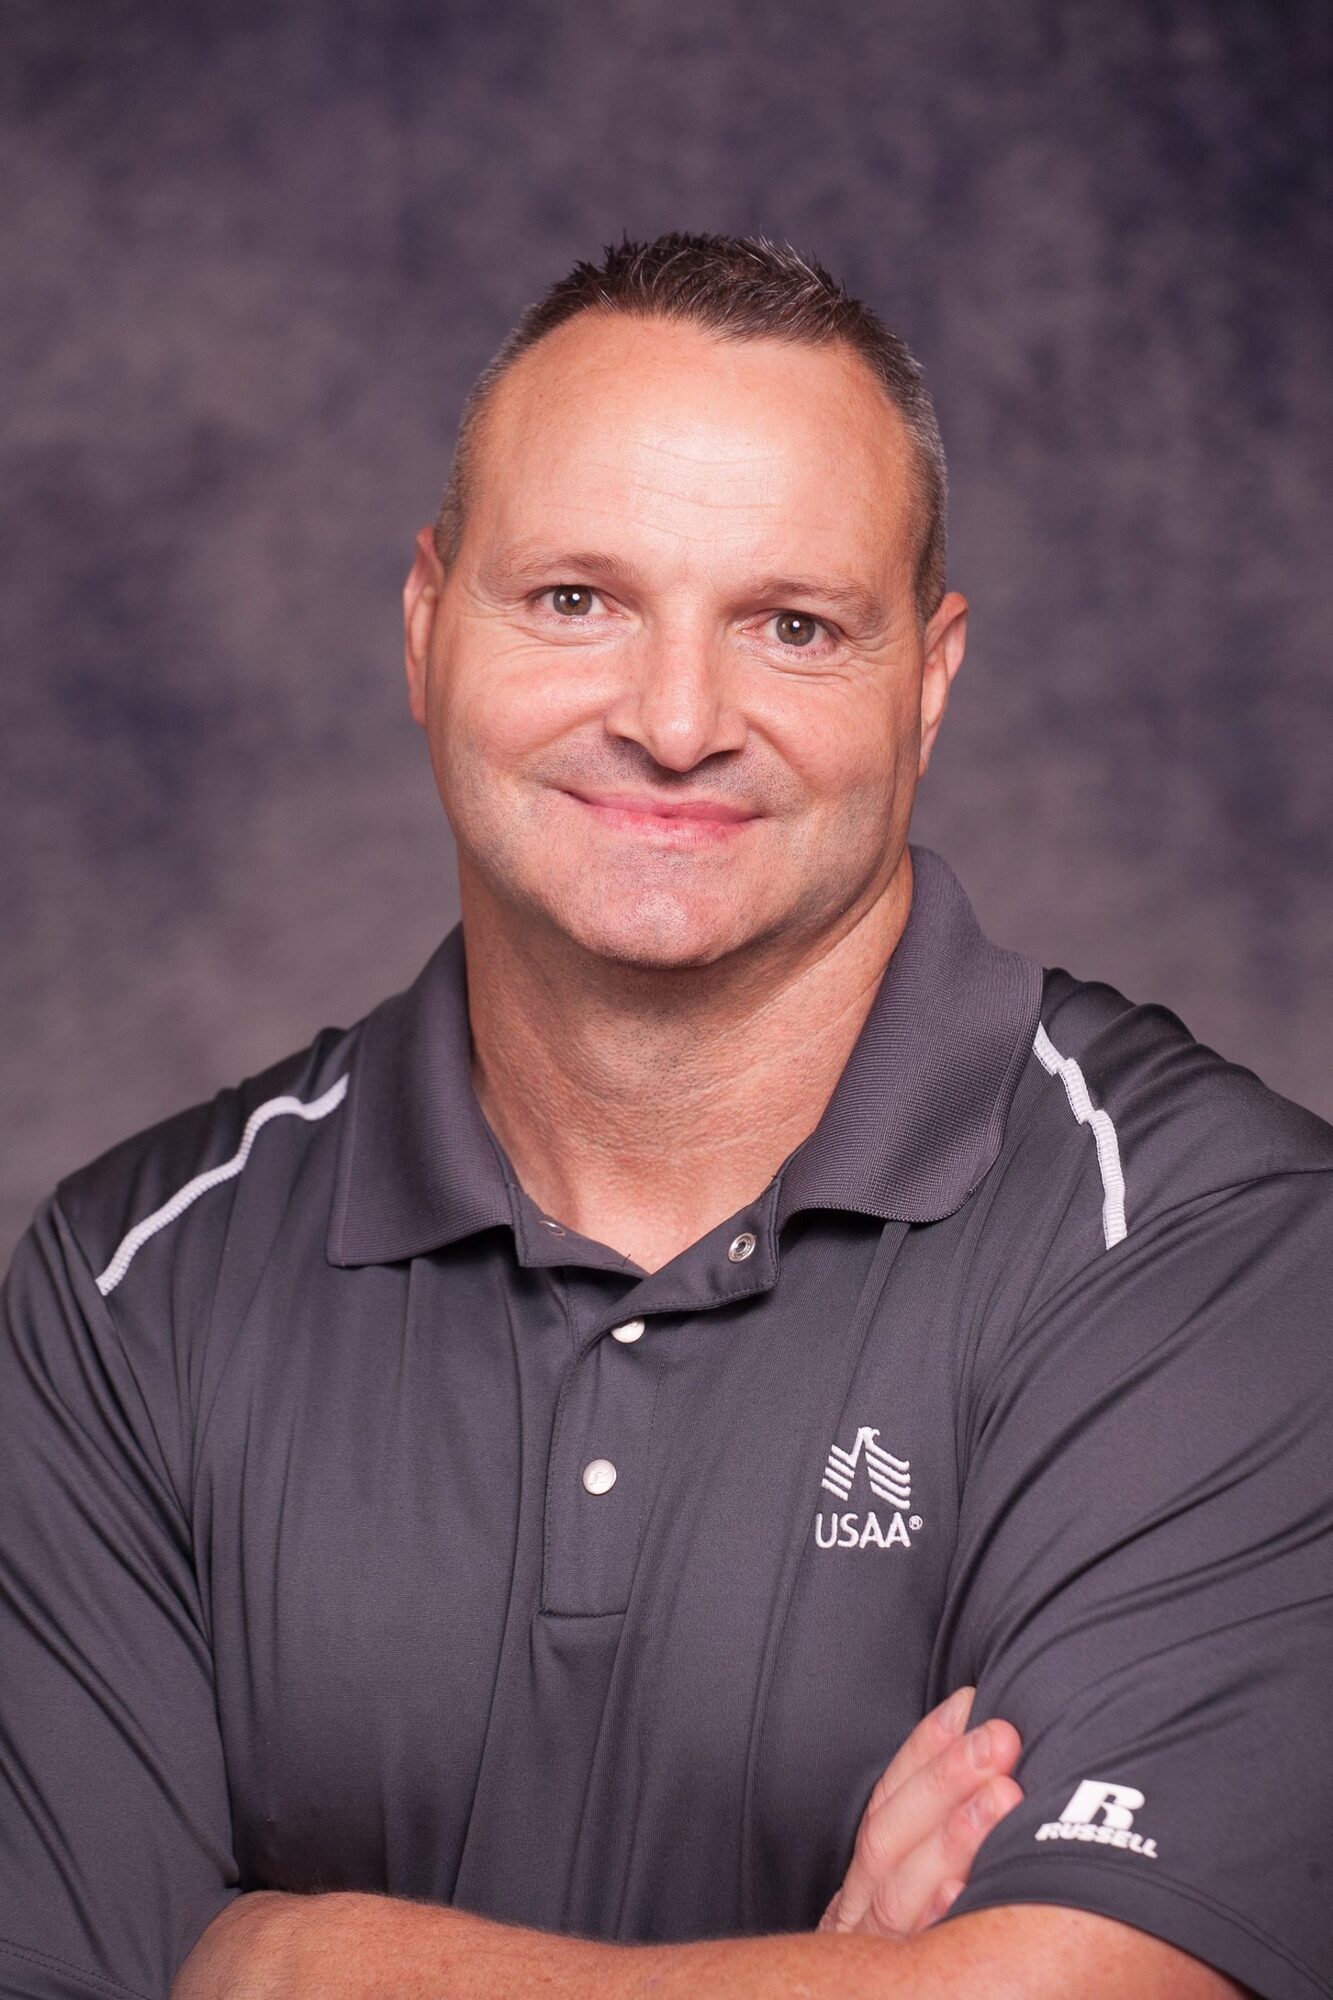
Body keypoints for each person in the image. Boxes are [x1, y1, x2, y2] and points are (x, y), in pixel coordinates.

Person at [2, 232, 1329, 2000]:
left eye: (791, 626)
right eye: (576, 601)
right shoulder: (126, 1292)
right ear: (425, 625)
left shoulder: (1212, 1250)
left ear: (928, 679)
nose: (676, 719)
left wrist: (281, 1958)